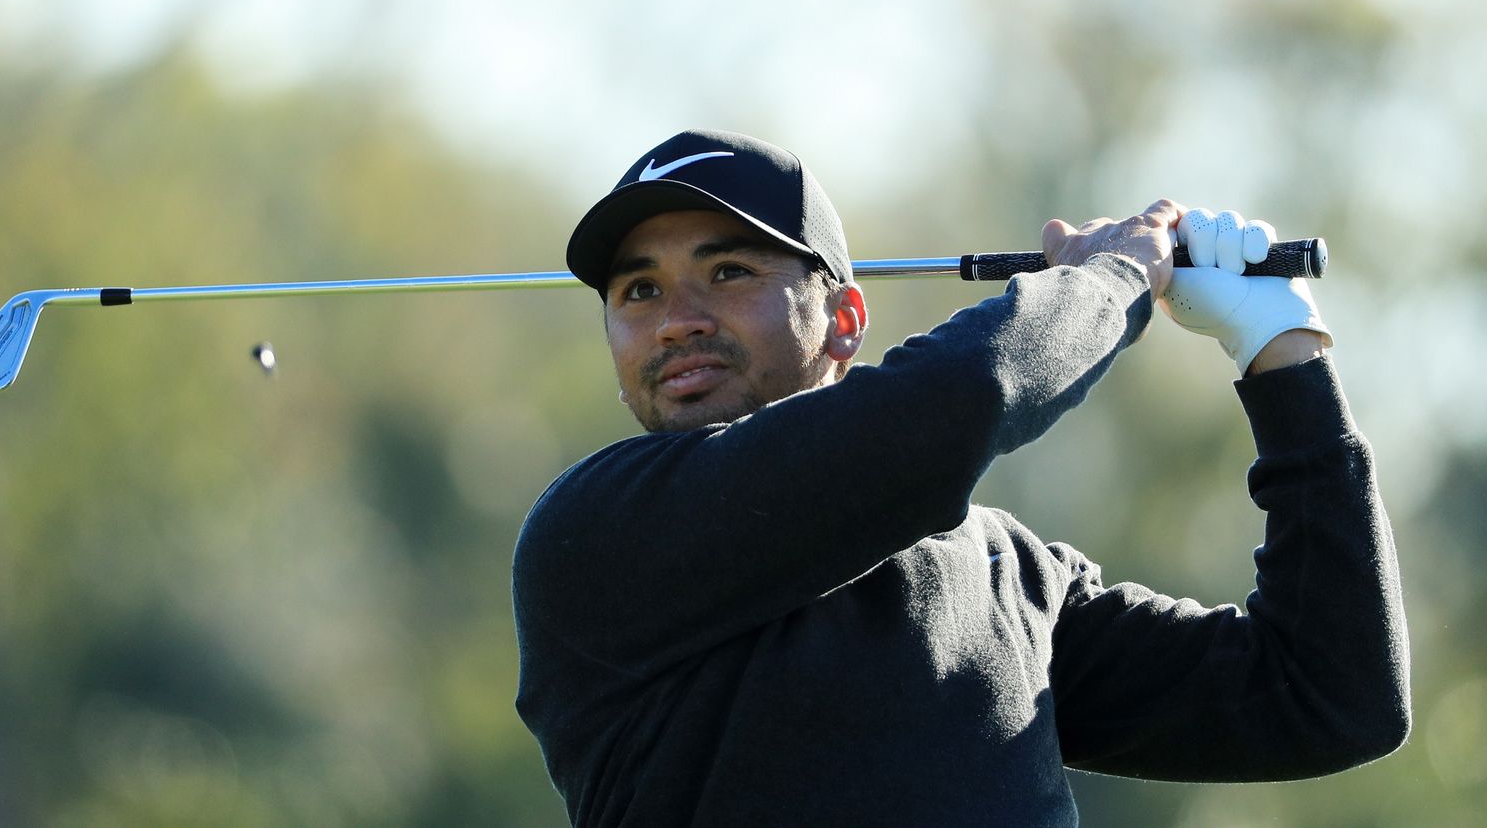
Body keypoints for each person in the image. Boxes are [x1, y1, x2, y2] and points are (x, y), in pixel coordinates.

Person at [512, 129, 1410, 827]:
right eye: (639, 292)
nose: (676, 321)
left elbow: (1330, 695)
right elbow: (959, 400)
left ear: (844, 320)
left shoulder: (1008, 577)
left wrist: (1283, 358)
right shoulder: (595, 535)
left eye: (729, 270)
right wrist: (1113, 278)